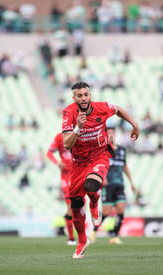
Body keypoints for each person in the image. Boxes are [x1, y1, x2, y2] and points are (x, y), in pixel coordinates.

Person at [62, 82, 140, 259]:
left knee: (91, 186)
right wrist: (78, 127)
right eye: (79, 95)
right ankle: (82, 241)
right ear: (74, 98)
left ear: (90, 95)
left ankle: (94, 204)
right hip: (79, 163)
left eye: (86, 94)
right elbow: (67, 143)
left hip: (99, 156)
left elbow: (118, 109)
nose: (83, 98)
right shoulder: (69, 113)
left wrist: (134, 124)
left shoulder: (101, 107)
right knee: (75, 205)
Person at [90, 126, 136, 245]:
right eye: (108, 133)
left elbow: (124, 166)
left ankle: (115, 236)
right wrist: (102, 178)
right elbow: (97, 165)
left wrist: (131, 182)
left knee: (121, 208)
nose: (111, 135)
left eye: (112, 133)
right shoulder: (102, 149)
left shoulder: (122, 150)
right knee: (107, 212)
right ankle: (93, 231)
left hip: (119, 183)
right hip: (107, 185)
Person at [47, 132, 76, 246]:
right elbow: (49, 152)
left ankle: (78, 234)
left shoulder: (79, 135)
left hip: (79, 172)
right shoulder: (59, 137)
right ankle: (71, 237)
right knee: (70, 205)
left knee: (79, 206)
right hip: (66, 175)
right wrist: (57, 161)